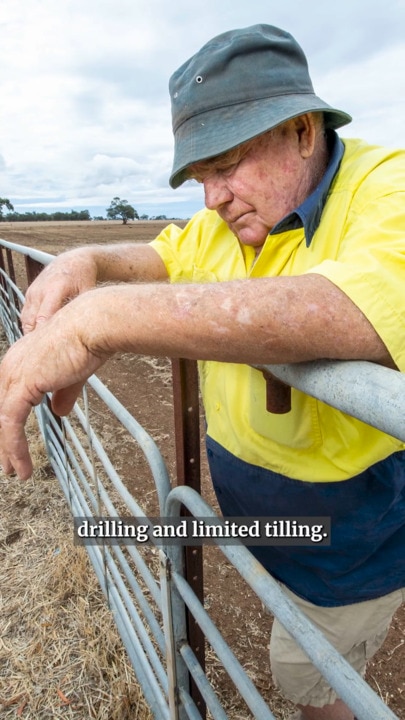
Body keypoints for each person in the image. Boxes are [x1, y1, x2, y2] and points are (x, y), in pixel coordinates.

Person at [0, 23, 404, 720]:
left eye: (225, 164)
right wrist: (86, 264)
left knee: (311, 679)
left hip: (352, 533)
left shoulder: (387, 187)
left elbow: (357, 309)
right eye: (199, 177)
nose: (211, 197)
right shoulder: (230, 220)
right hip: (275, 515)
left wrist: (103, 320)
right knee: (279, 603)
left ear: (303, 131)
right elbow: (158, 254)